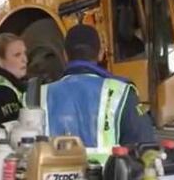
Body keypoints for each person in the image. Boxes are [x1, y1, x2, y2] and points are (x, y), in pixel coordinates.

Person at [39, 24, 156, 161]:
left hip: (52, 174)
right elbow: (144, 147)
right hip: (107, 175)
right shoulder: (121, 92)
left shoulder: (40, 95)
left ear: (65, 55)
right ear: (100, 54)